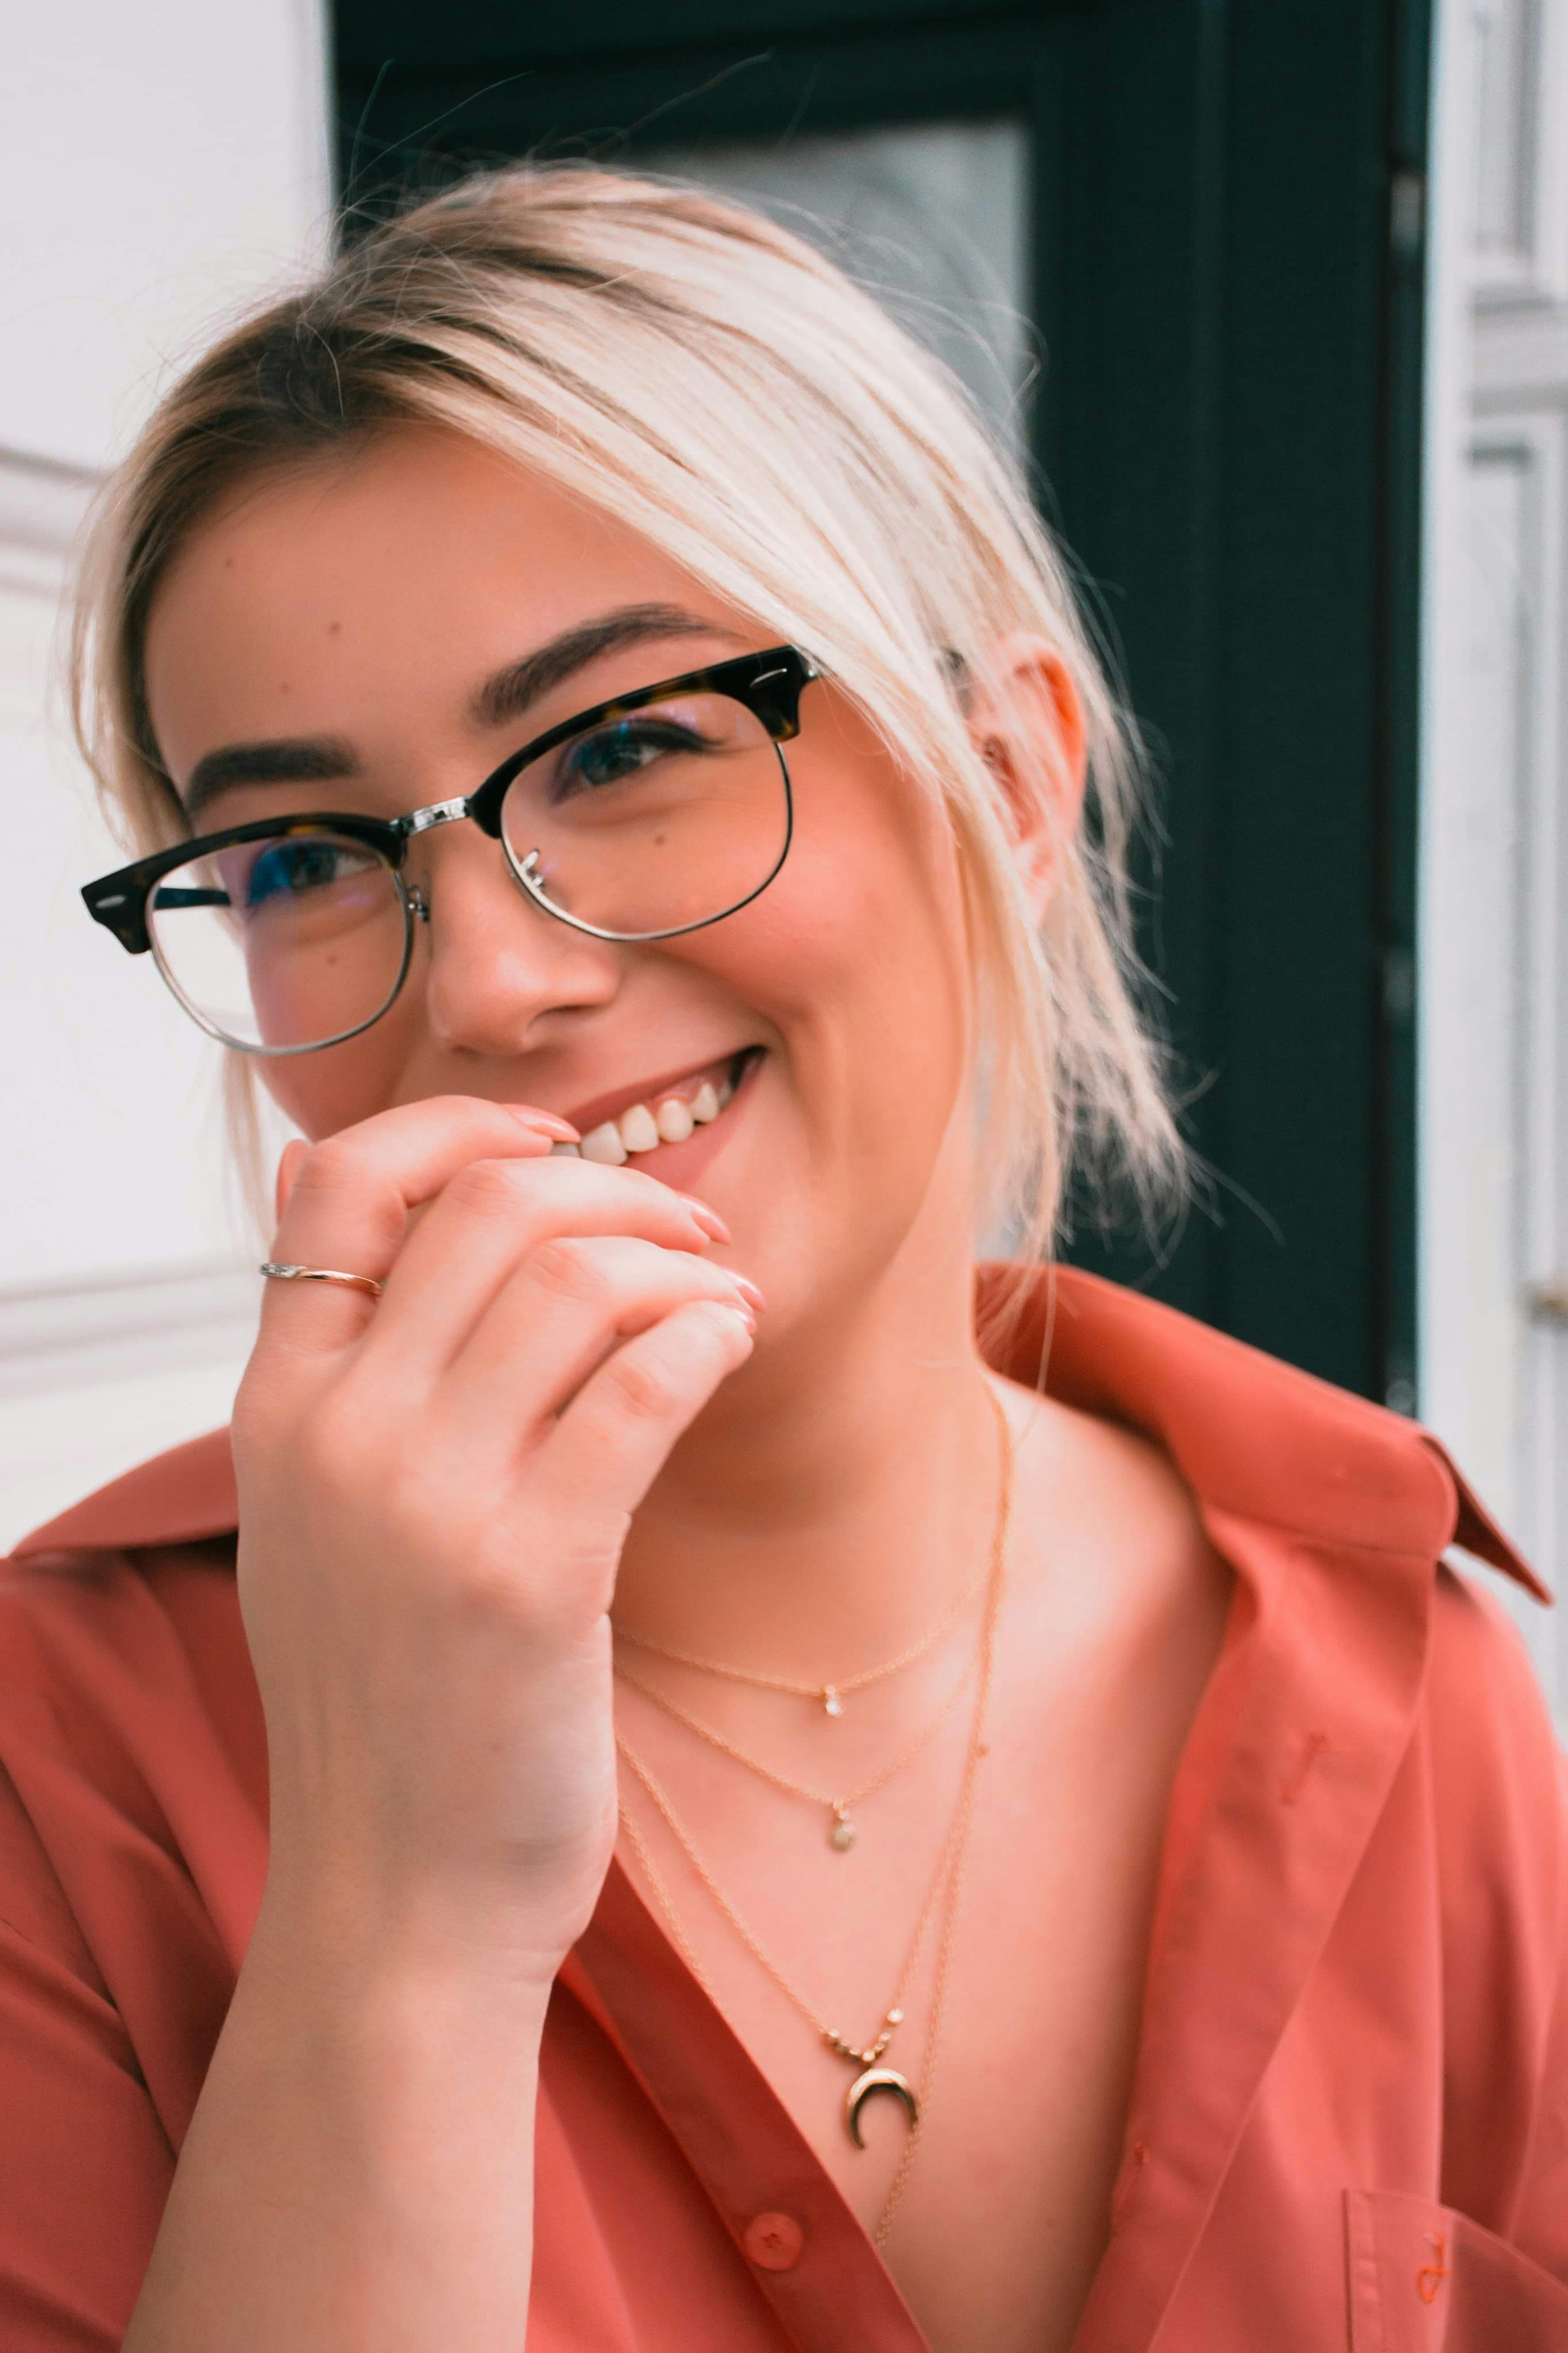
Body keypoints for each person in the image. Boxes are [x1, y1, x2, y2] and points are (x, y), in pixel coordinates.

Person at [1, 164, 1563, 2353]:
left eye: (632, 744)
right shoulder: (60, 1761)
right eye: (300, 854)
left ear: (1007, 782)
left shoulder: (1419, 1685)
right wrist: (399, 1907)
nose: (497, 980)